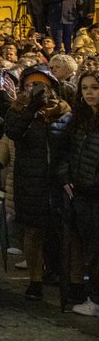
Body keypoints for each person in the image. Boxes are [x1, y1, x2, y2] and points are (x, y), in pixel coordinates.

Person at [5, 63, 72, 301]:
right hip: (30, 181)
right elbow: (13, 132)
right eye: (31, 84)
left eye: (41, 84)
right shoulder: (19, 109)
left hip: (56, 180)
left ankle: (58, 274)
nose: (36, 88)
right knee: (33, 232)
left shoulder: (62, 110)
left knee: (59, 233)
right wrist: (31, 109)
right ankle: (35, 279)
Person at [58, 66, 99, 314]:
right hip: (82, 195)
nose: (89, 93)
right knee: (90, 249)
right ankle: (94, 298)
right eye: (85, 88)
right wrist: (65, 177)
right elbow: (66, 153)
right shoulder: (79, 120)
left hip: (94, 193)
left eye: (95, 88)